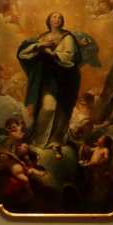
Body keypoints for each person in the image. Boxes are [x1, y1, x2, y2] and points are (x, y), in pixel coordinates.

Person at [17, 12, 99, 150]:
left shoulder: (67, 37)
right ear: (48, 20)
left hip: (63, 79)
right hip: (47, 79)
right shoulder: (43, 37)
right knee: (47, 107)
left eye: (60, 17)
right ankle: (39, 140)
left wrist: (52, 54)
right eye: (54, 17)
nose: (57, 19)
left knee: (61, 109)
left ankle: (56, 140)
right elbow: (25, 54)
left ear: (62, 21)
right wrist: (39, 46)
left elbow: (70, 57)